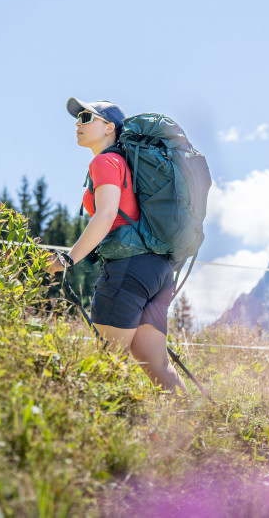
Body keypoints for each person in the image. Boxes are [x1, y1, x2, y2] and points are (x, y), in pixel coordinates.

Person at [47, 97, 187, 395]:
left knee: (107, 363)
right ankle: (197, 429)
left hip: (128, 269)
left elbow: (107, 214)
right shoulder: (127, 164)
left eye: (86, 117)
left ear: (109, 126)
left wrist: (68, 260)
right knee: (158, 367)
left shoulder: (105, 162)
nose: (78, 124)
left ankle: (104, 436)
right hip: (157, 271)